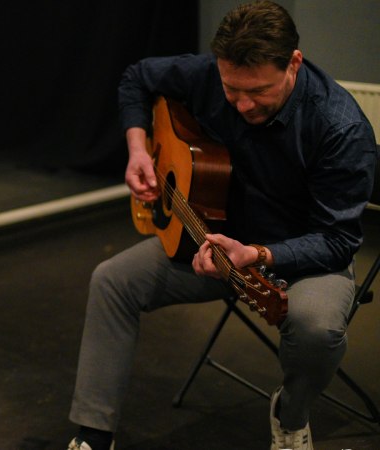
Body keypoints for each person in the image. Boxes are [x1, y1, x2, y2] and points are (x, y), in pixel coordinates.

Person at [66, 2, 377, 450]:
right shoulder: (208, 74)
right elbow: (136, 76)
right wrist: (138, 148)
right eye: (233, 90)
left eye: (258, 91)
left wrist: (258, 254)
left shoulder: (340, 128)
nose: (244, 104)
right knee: (111, 282)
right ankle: (94, 434)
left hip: (303, 254)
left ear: (294, 62)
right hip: (210, 240)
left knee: (317, 329)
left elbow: (339, 240)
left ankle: (290, 418)